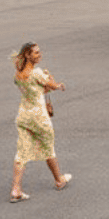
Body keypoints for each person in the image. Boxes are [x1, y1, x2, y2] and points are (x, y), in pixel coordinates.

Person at [9, 42, 73, 201]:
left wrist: (47, 84)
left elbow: (38, 90)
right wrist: (56, 83)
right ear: (28, 55)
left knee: (22, 151)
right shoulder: (37, 73)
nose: (39, 54)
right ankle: (59, 179)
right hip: (39, 117)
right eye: (36, 53)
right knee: (48, 148)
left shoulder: (18, 75)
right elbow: (52, 86)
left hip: (24, 116)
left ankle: (16, 189)